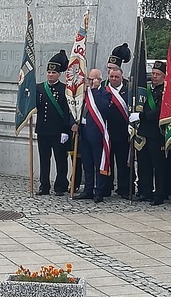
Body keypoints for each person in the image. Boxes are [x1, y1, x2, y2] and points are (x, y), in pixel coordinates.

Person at [35, 51, 71, 196]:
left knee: (61, 160)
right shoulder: (39, 88)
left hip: (58, 131)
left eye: (53, 73)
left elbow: (67, 111)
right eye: (49, 72)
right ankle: (44, 186)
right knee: (44, 160)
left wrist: (65, 130)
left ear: (59, 74)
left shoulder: (65, 89)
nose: (50, 75)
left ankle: (61, 185)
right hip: (43, 130)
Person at [73, 68, 112, 202]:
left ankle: (99, 191)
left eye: (92, 79)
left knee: (98, 163)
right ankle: (88, 190)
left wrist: (95, 90)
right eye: (88, 79)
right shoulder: (84, 92)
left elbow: (103, 107)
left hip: (97, 133)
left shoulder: (104, 93)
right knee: (87, 163)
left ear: (99, 80)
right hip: (83, 131)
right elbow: (74, 108)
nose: (90, 81)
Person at [136, 60, 167, 205]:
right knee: (143, 164)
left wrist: (141, 116)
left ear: (164, 76)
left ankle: (159, 194)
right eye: (153, 73)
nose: (154, 76)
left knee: (158, 166)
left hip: (156, 133)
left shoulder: (166, 92)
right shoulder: (146, 89)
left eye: (158, 74)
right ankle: (145, 191)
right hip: (143, 132)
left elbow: (158, 112)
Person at [103, 52, 133, 199]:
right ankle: (107, 187)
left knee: (123, 162)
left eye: (116, 77)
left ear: (121, 77)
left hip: (123, 132)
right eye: (111, 76)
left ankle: (124, 188)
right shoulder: (103, 88)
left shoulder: (129, 88)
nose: (113, 79)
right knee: (108, 160)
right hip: (107, 131)